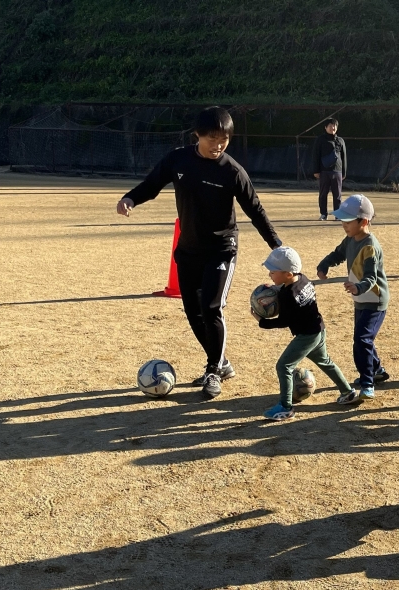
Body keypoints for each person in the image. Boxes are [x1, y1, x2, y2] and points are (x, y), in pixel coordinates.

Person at [116, 106, 282, 399]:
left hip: (222, 249)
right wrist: (130, 198)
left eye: (224, 140)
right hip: (189, 250)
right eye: (212, 139)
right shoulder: (178, 159)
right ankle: (222, 363)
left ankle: (213, 370)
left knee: (211, 308)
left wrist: (277, 246)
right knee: (193, 312)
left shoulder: (232, 171)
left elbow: (255, 210)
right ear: (197, 135)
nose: (218, 145)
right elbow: (152, 185)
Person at [254, 246, 357, 420]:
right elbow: (294, 295)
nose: (269, 275)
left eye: (273, 272)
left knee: (284, 366)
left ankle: (285, 407)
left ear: (288, 274)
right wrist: (279, 288)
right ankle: (348, 392)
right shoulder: (303, 279)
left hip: (307, 336)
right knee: (325, 361)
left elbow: (283, 321)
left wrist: (261, 321)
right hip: (319, 329)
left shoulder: (288, 295)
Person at [316, 194, 390, 403]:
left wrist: (358, 287)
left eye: (348, 221)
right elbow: (338, 254)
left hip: (374, 300)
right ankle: (377, 370)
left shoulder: (370, 246)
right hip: (360, 299)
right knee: (364, 338)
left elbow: (371, 277)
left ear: (363, 222)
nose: (344, 224)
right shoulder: (350, 239)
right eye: (342, 220)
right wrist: (324, 264)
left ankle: (367, 383)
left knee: (361, 339)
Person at [312, 118, 347, 221]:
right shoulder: (320, 140)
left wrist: (344, 172)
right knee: (323, 194)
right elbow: (316, 155)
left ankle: (338, 214)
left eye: (335, 126)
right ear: (325, 127)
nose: (333, 128)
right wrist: (316, 170)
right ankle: (323, 214)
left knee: (337, 195)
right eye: (331, 125)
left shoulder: (340, 140)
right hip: (324, 171)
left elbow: (344, 157)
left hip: (337, 171)